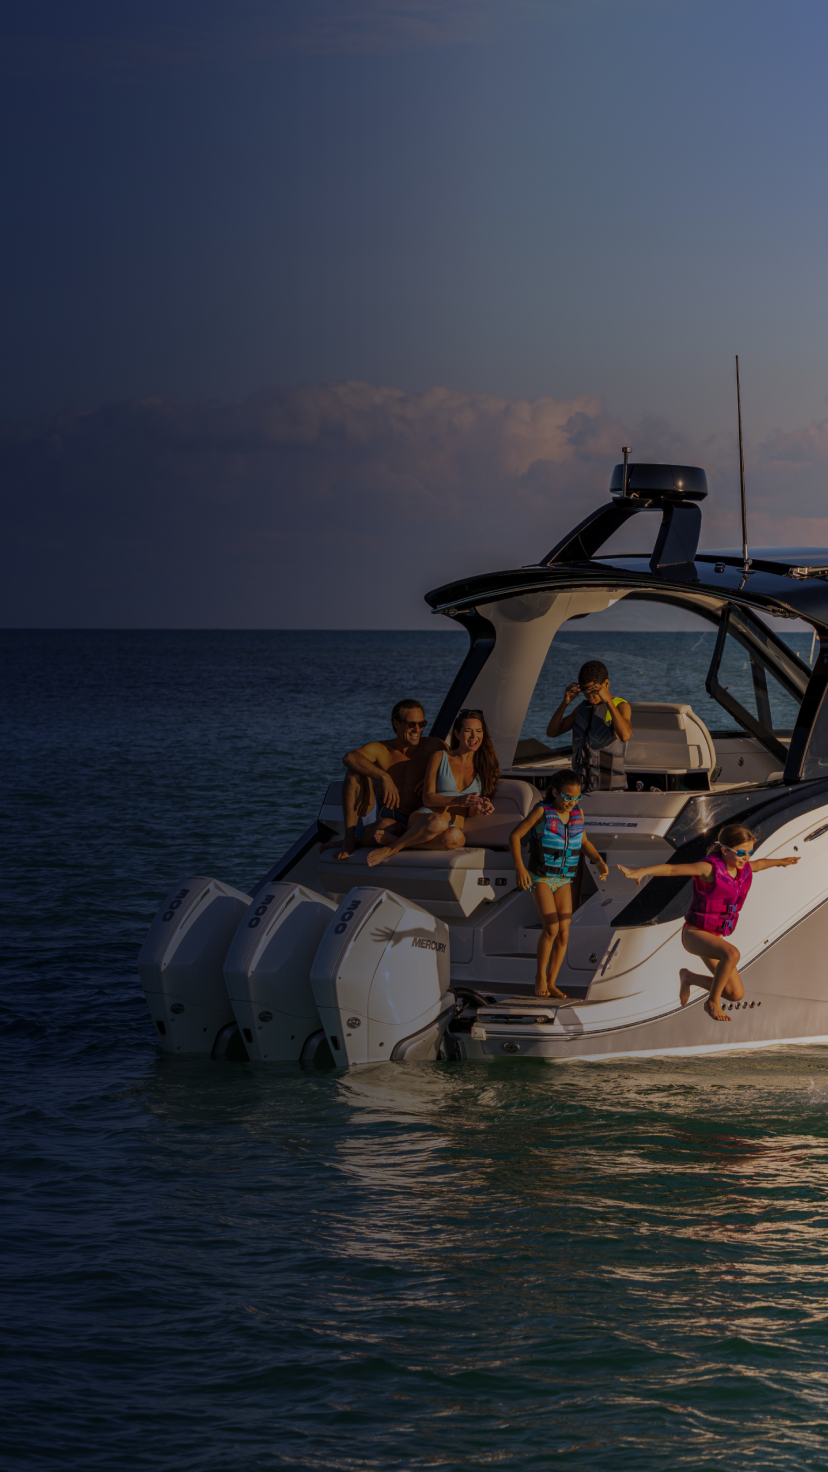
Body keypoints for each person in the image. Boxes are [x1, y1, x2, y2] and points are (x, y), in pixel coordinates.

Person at [618, 823, 799, 1023]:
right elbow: (672, 870)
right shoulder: (708, 869)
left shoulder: (744, 868)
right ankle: (712, 1002)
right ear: (724, 850)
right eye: (741, 853)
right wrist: (641, 872)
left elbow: (760, 864)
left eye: (749, 852)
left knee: (735, 994)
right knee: (732, 954)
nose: (746, 857)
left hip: (714, 936)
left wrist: (781, 861)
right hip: (694, 933)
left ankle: (689, 978)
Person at [509, 769, 609, 998]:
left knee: (564, 932)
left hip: (564, 878)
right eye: (567, 797)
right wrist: (519, 868)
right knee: (551, 928)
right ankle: (539, 977)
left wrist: (598, 860)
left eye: (577, 798)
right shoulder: (542, 811)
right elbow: (514, 836)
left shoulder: (577, 814)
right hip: (541, 876)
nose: (572, 802)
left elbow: (583, 841)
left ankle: (552, 982)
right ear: (555, 792)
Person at [366, 708, 499, 868]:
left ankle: (396, 841)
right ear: (457, 734)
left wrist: (480, 805)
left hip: (454, 826)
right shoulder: (440, 757)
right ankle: (392, 849)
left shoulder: (485, 768)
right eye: (468, 731)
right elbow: (427, 797)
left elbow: (471, 811)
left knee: (457, 838)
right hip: (427, 818)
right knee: (439, 821)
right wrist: (458, 800)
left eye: (478, 731)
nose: (474, 736)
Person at [322, 700, 447, 861]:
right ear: (396, 723)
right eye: (411, 724)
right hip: (379, 811)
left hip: (412, 819)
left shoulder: (434, 746)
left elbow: (457, 764)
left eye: (422, 723)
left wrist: (434, 776)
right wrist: (383, 776)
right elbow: (350, 757)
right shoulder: (381, 749)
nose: (418, 729)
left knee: (381, 829)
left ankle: (358, 842)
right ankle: (349, 839)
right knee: (353, 773)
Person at [546, 660, 632, 793]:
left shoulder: (620, 707)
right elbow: (552, 732)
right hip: (581, 791)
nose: (589, 696)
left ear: (606, 684)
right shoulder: (581, 709)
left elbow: (625, 735)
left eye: (594, 690)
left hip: (610, 791)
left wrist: (608, 701)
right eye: (585, 691)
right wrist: (565, 703)